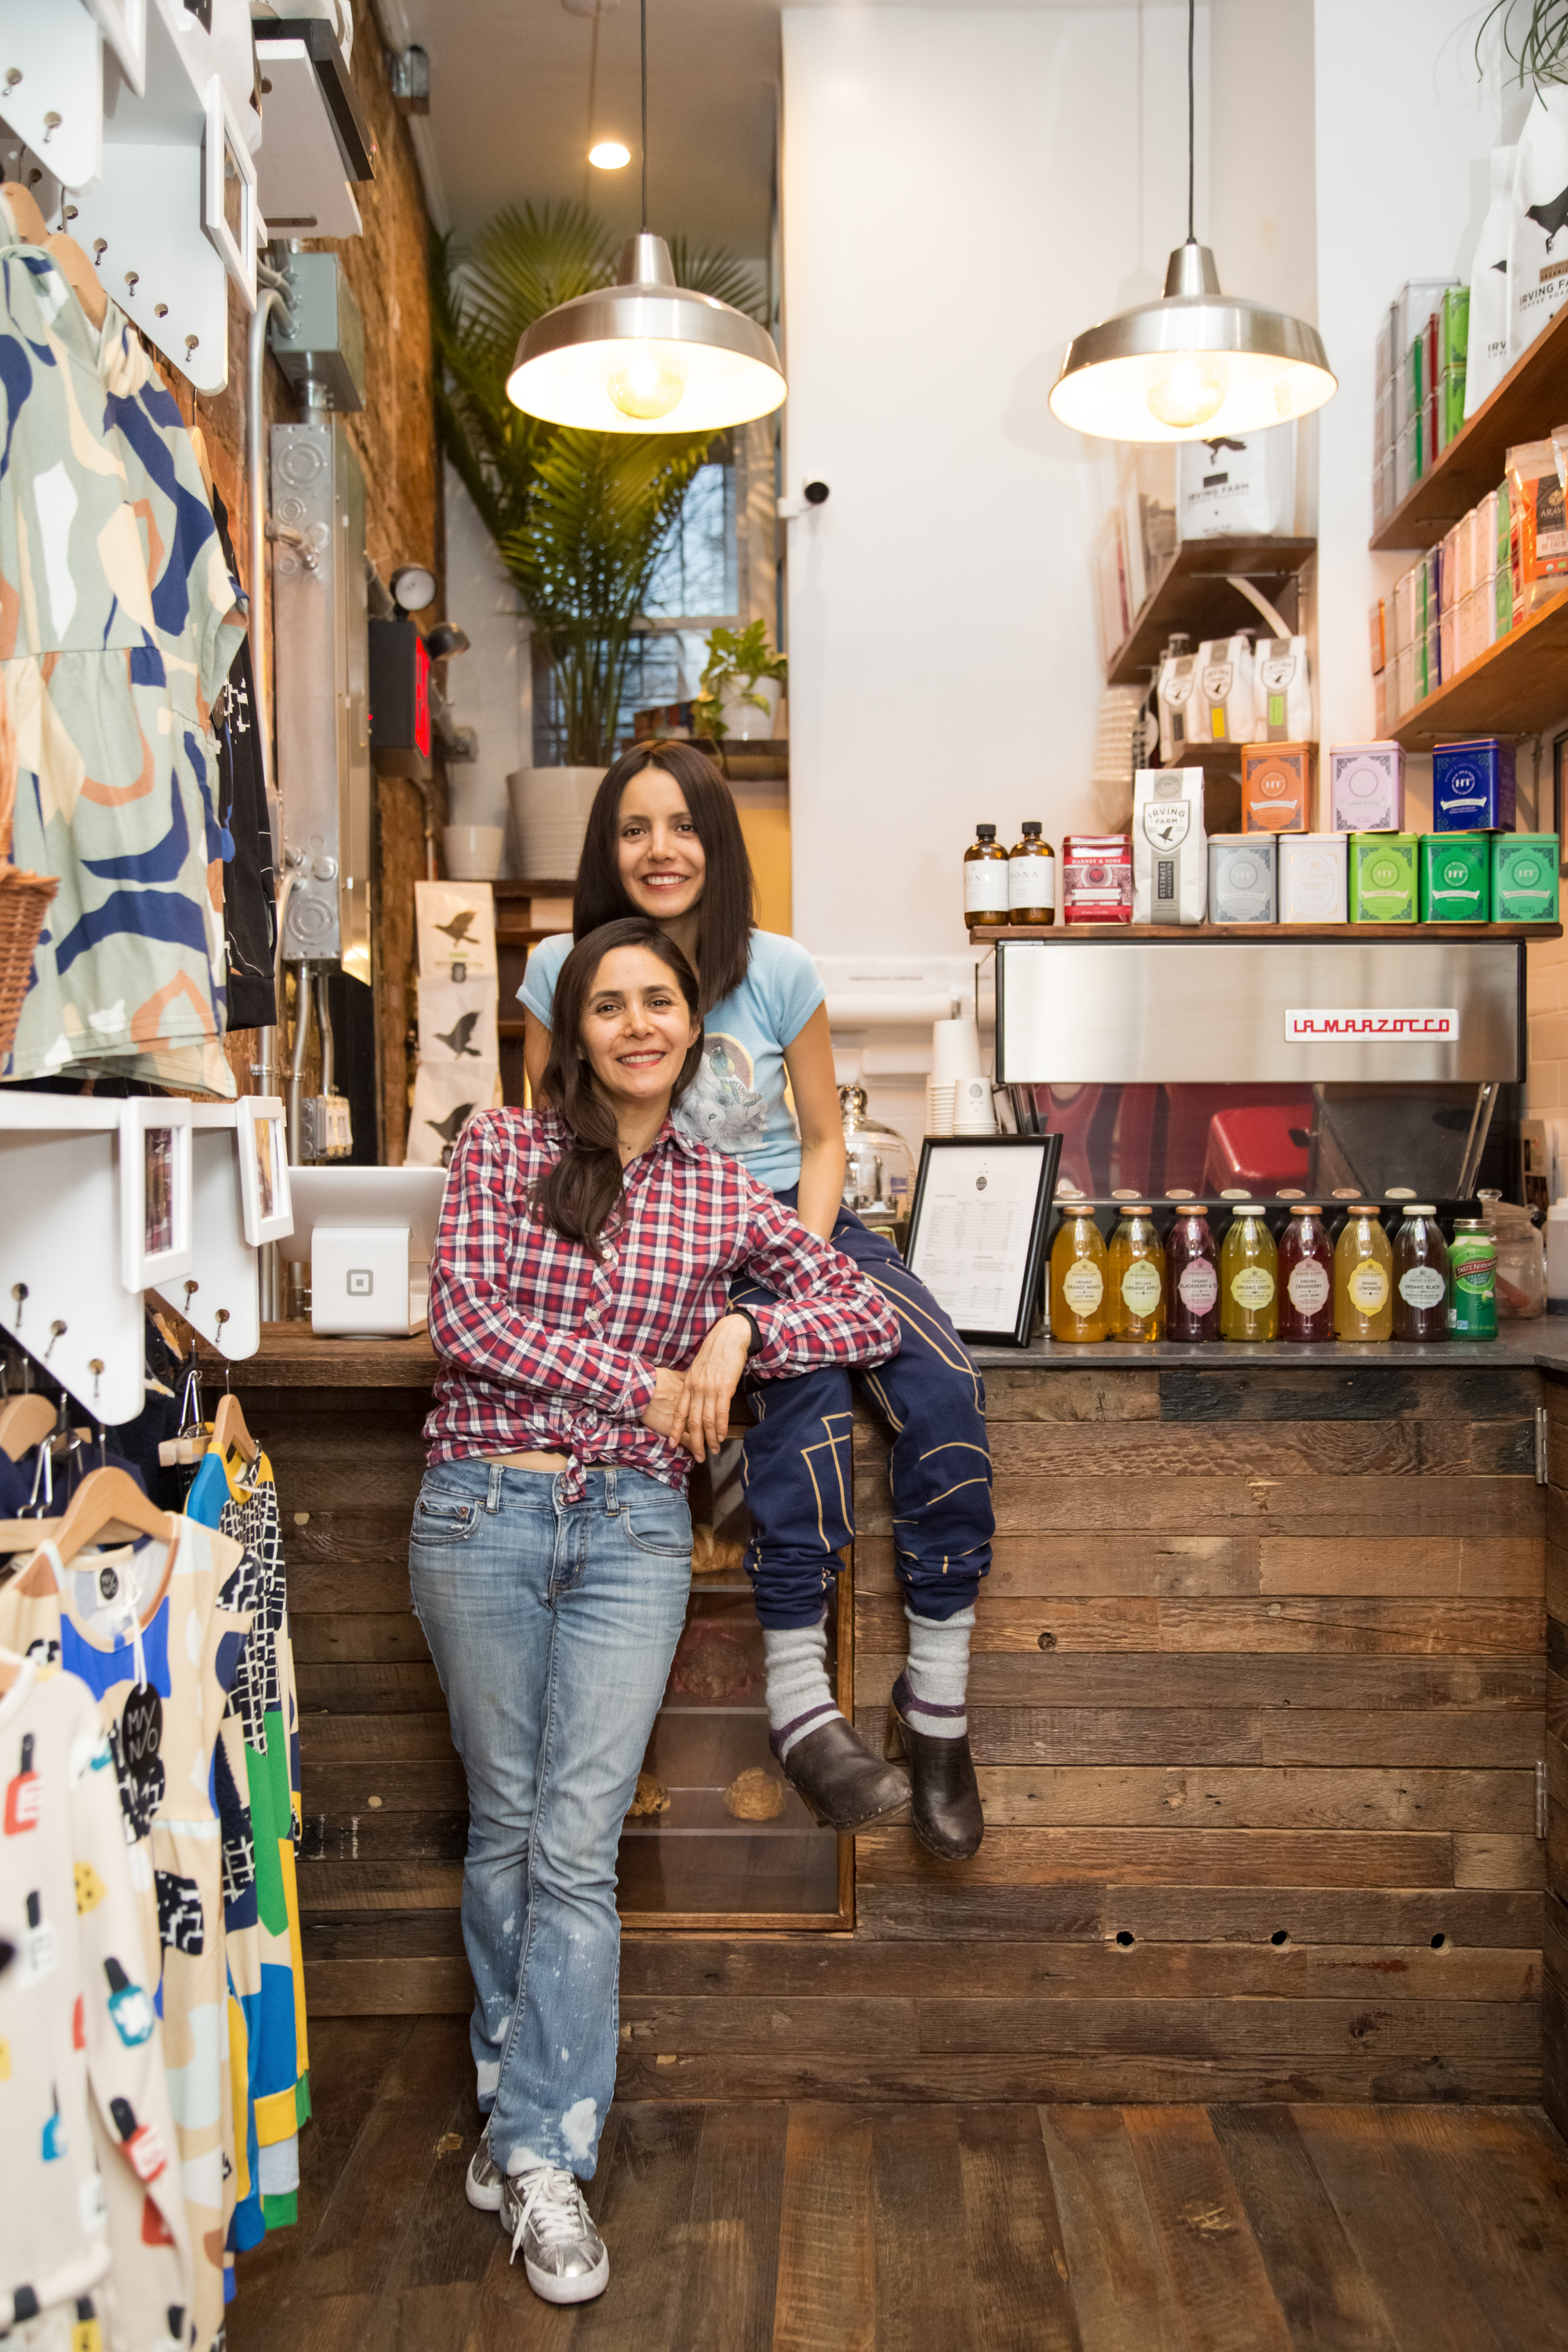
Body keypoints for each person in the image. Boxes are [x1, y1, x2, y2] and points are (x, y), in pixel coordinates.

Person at [413, 916, 900, 2308]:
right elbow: (469, 1324)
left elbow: (858, 1311)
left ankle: (547, 2154)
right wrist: (642, 1387)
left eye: (660, 1003)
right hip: (479, 1513)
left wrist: (738, 1331)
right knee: (506, 1822)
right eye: (608, 1005)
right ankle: (519, 2117)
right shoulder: (504, 1149)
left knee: (571, 1840)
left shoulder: (720, 1194)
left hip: (633, 1532)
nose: (637, 1024)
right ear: (574, 1031)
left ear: (696, 1027)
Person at [521, 741, 993, 1860]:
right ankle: (799, 1697)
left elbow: (827, 1139)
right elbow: (546, 1142)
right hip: (658, 1239)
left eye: (682, 825)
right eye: (633, 829)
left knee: (945, 1386)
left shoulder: (777, 966)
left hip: (795, 1212)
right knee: (806, 1409)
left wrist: (800, 1258)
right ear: (606, 849)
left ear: (717, 842)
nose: (659, 849)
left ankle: (937, 1707)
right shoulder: (558, 967)